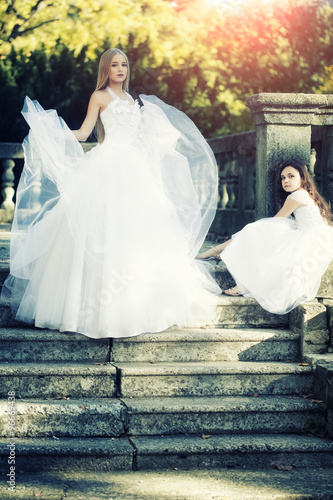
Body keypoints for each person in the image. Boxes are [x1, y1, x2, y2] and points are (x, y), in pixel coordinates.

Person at [2, 48, 221, 339]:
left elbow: (141, 139)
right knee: (98, 226)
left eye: (124, 65)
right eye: (115, 65)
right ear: (106, 69)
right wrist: (53, 133)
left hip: (135, 168)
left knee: (139, 229)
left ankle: (136, 305)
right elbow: (84, 133)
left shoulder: (133, 100)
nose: (121, 69)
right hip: (107, 165)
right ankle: (88, 307)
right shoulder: (100, 97)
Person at [197, 159, 333, 315]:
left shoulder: (296, 196)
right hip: (320, 238)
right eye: (283, 178)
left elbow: (274, 222)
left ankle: (219, 254)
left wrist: (255, 231)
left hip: (310, 240)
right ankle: (220, 254)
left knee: (254, 230)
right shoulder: (306, 194)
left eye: (291, 176)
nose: (286, 181)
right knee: (256, 232)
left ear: (302, 178)